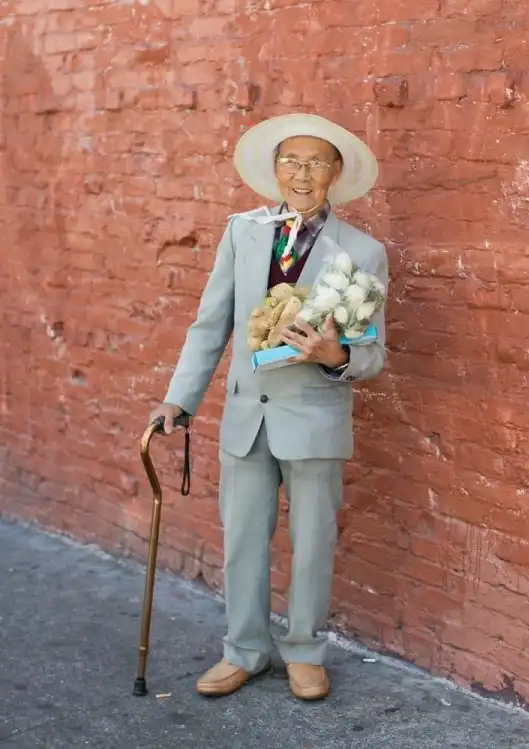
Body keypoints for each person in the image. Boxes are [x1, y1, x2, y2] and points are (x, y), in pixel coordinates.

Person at [150, 113, 389, 701]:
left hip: (314, 418)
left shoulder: (363, 251)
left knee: (312, 544)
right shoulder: (243, 232)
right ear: (275, 169)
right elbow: (211, 324)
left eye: (315, 163)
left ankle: (305, 651)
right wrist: (180, 399)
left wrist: (335, 355)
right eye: (291, 162)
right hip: (245, 416)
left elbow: (373, 353)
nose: (301, 175)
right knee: (242, 540)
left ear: (335, 173)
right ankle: (245, 650)